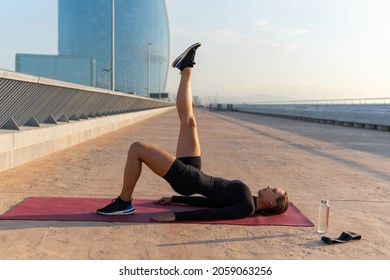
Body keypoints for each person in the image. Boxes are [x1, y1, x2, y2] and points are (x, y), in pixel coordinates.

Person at [96, 43, 289, 221]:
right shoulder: (248, 200)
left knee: (137, 148)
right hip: (195, 173)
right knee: (189, 122)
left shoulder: (246, 208)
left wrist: (176, 216)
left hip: (188, 180)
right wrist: (175, 199)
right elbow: (210, 202)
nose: (270, 187)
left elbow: (214, 214)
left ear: (272, 203)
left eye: (274, 190)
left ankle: (124, 202)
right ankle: (186, 67)